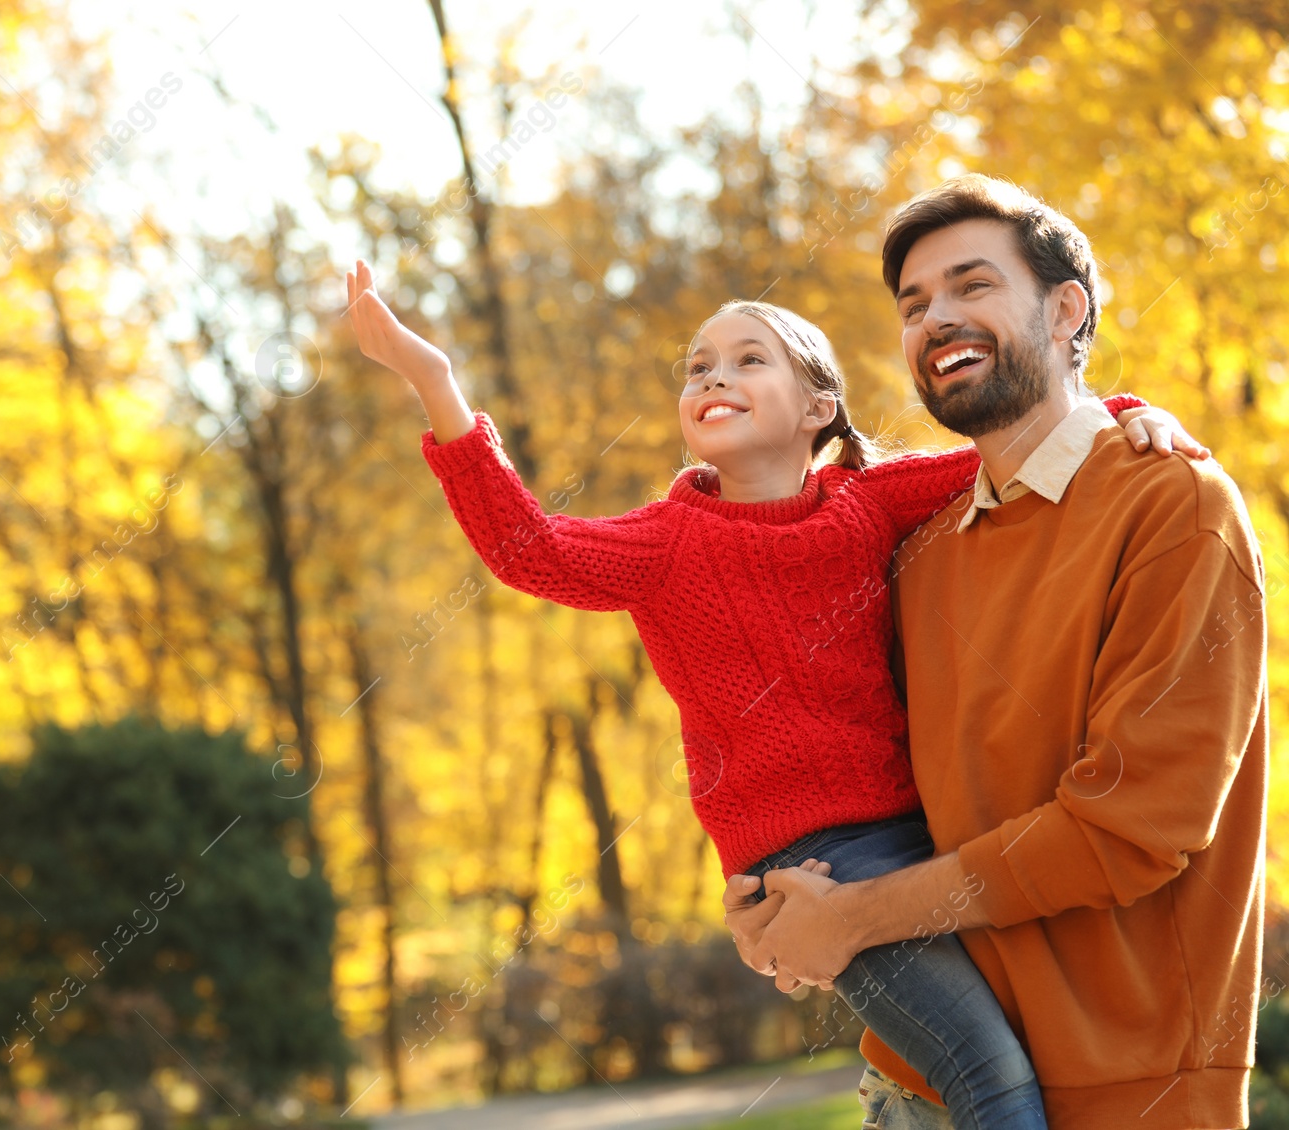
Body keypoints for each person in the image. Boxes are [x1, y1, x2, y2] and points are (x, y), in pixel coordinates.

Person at [343, 257, 1205, 1129]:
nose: (714, 374)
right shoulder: (665, 544)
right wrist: (435, 379)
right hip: (814, 864)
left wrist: (1136, 416)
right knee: (991, 1077)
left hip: (928, 836)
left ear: (818, 409)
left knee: (986, 1066)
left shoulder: (862, 503)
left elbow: (1015, 451)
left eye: (749, 359)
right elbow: (527, 548)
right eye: (698, 366)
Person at [724, 174, 1269, 1130]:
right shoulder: (918, 544)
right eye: (914, 303)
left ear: (1067, 310)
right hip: (919, 1085)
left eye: (972, 286)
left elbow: (1129, 830)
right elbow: (839, 756)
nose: (937, 317)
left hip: (1123, 1098)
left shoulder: (1174, 507)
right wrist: (777, 894)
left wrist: (853, 920)